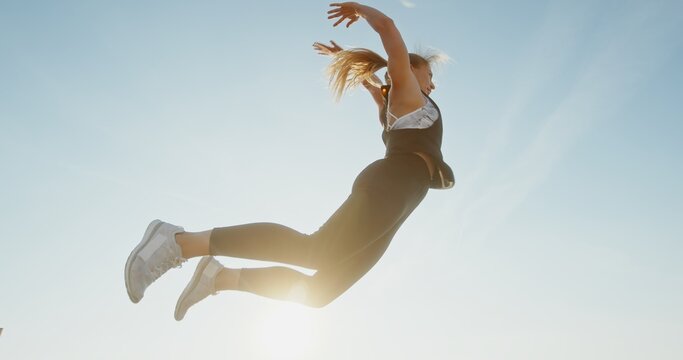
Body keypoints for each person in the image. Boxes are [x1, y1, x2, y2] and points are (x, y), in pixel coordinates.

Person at [124, 2, 454, 321]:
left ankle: (218, 277)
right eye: (429, 75)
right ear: (411, 72)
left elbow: (374, 90)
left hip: (405, 197)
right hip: (393, 183)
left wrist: (354, 66)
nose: (433, 84)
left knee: (320, 292)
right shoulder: (409, 94)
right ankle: (180, 242)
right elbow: (389, 29)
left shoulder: (396, 105)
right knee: (318, 249)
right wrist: (360, 8)